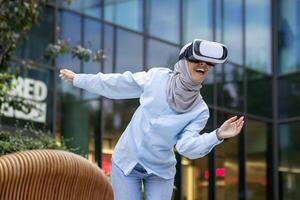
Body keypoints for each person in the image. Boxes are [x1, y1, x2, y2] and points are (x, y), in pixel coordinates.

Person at [59, 39, 244, 200]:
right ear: (182, 62)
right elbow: (118, 83)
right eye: (196, 59)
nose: (203, 65)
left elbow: (186, 147)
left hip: (160, 171)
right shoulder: (157, 77)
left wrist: (218, 135)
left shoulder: (200, 110)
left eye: (209, 63)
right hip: (126, 162)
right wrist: (78, 79)